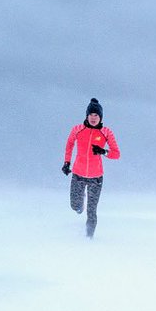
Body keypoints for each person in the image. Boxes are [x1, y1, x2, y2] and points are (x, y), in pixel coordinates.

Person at [62, 98, 120, 238]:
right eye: (91, 115)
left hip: (96, 178)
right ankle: (79, 204)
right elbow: (69, 144)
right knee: (75, 206)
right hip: (78, 175)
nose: (93, 118)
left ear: (101, 117)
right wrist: (67, 162)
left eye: (96, 115)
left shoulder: (106, 132)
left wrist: (103, 151)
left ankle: (89, 238)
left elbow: (116, 154)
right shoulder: (78, 129)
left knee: (92, 210)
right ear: (87, 116)